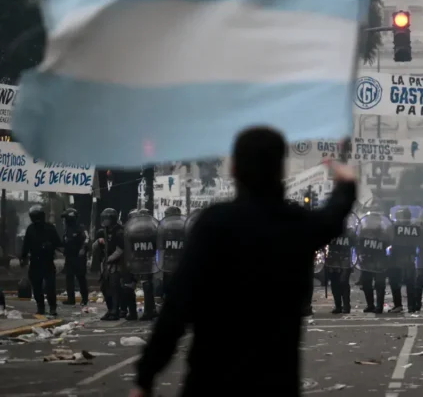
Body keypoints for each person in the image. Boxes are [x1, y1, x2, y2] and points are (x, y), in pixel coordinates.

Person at [131, 128, 357, 397]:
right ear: (280, 169)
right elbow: (332, 218)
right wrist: (346, 183)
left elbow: (177, 306)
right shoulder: (294, 224)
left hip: (211, 379)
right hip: (275, 381)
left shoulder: (214, 224)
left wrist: (146, 376)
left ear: (235, 168)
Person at [21, 205, 63, 316]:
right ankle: (40, 307)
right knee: (37, 287)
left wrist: (50, 245)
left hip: (47, 261)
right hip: (35, 261)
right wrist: (23, 257)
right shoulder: (30, 229)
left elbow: (58, 243)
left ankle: (53, 307)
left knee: (50, 286)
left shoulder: (50, 228)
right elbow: (26, 245)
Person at [61, 208, 90, 306]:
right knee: (69, 278)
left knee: (81, 278)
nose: (64, 221)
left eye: (65, 219)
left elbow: (87, 239)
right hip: (69, 257)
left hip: (79, 257)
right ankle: (71, 299)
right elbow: (64, 242)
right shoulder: (67, 230)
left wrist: (83, 249)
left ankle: (85, 298)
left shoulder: (81, 228)